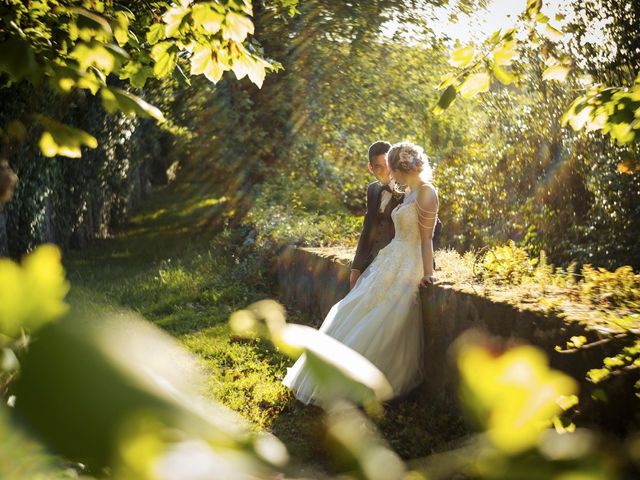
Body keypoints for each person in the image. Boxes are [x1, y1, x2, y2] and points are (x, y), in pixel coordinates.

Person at [282, 141, 439, 405]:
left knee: (385, 317)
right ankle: (333, 375)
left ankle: (365, 381)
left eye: (392, 169)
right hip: (389, 259)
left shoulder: (425, 193)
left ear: (402, 167)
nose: (391, 175)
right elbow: (371, 229)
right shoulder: (410, 192)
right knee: (356, 308)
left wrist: (428, 272)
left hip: (407, 263)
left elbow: (427, 239)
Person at [350, 141, 441, 290]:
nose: (387, 172)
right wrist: (356, 268)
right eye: (379, 166)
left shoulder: (417, 190)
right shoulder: (376, 190)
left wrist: (427, 269)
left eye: (389, 167)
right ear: (370, 167)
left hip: (407, 265)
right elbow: (367, 230)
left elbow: (431, 232)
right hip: (381, 263)